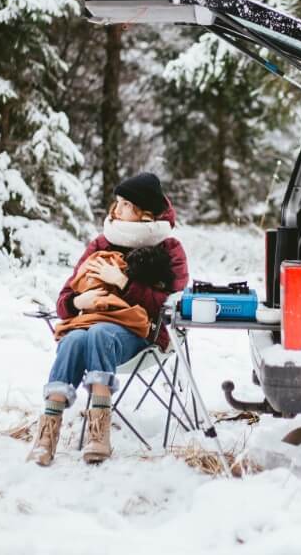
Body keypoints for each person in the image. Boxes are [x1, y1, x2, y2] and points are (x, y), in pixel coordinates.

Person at [28, 172, 188, 466]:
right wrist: (79, 301)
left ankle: (98, 431)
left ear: (145, 214)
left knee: (100, 332)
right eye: (117, 202)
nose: (116, 210)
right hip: (88, 326)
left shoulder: (168, 249)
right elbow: (65, 299)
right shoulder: (101, 243)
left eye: (126, 204)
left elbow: (172, 305)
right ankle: (47, 433)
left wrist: (126, 285)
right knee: (74, 338)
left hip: (142, 335)